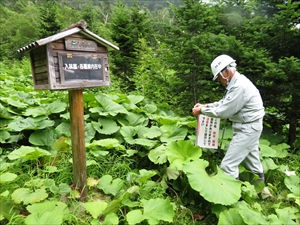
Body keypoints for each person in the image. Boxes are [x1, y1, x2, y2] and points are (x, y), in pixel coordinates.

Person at [192, 54, 265, 182]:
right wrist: (206, 105)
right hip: (250, 127)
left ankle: (232, 198)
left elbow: (223, 111)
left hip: (247, 129)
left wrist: (202, 110)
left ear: (225, 72)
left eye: (219, 77)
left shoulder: (239, 87)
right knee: (253, 164)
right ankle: (261, 193)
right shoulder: (237, 83)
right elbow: (224, 102)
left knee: (228, 166)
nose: (220, 81)